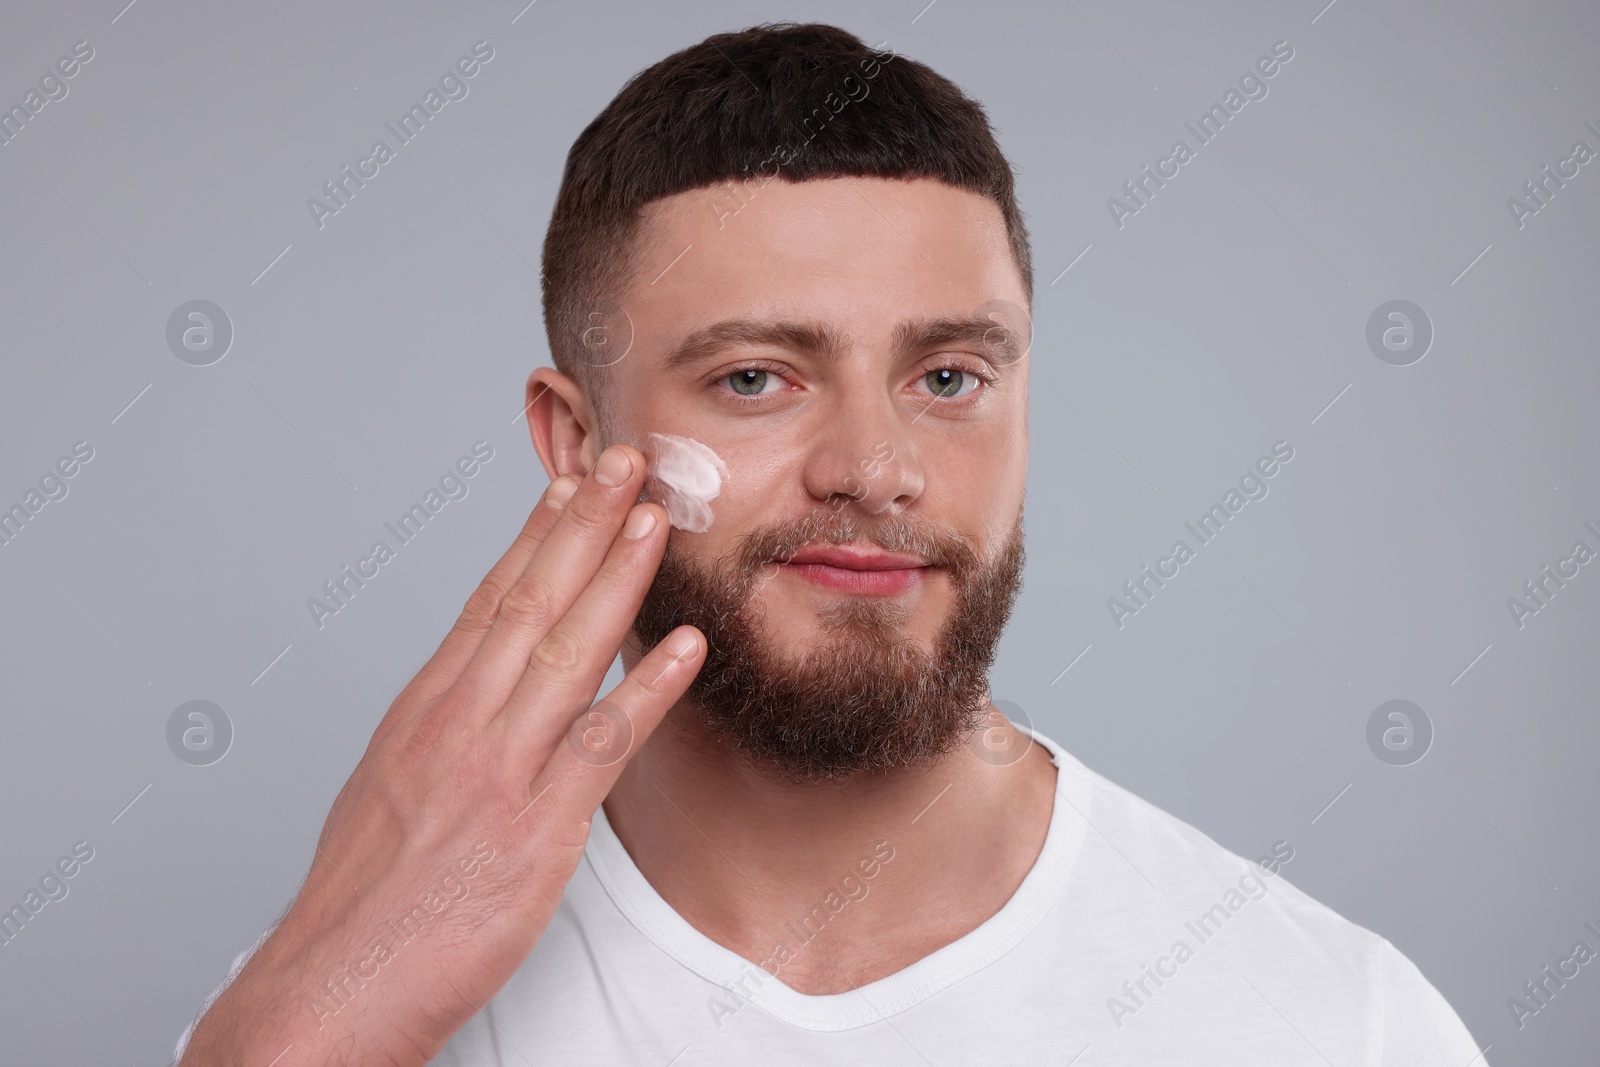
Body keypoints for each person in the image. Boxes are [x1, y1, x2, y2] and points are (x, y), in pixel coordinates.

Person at [176, 22, 1487, 1065]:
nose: (876, 468)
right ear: (577, 446)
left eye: (950, 376)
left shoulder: (1334, 1027)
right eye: (756, 378)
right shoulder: (335, 1005)